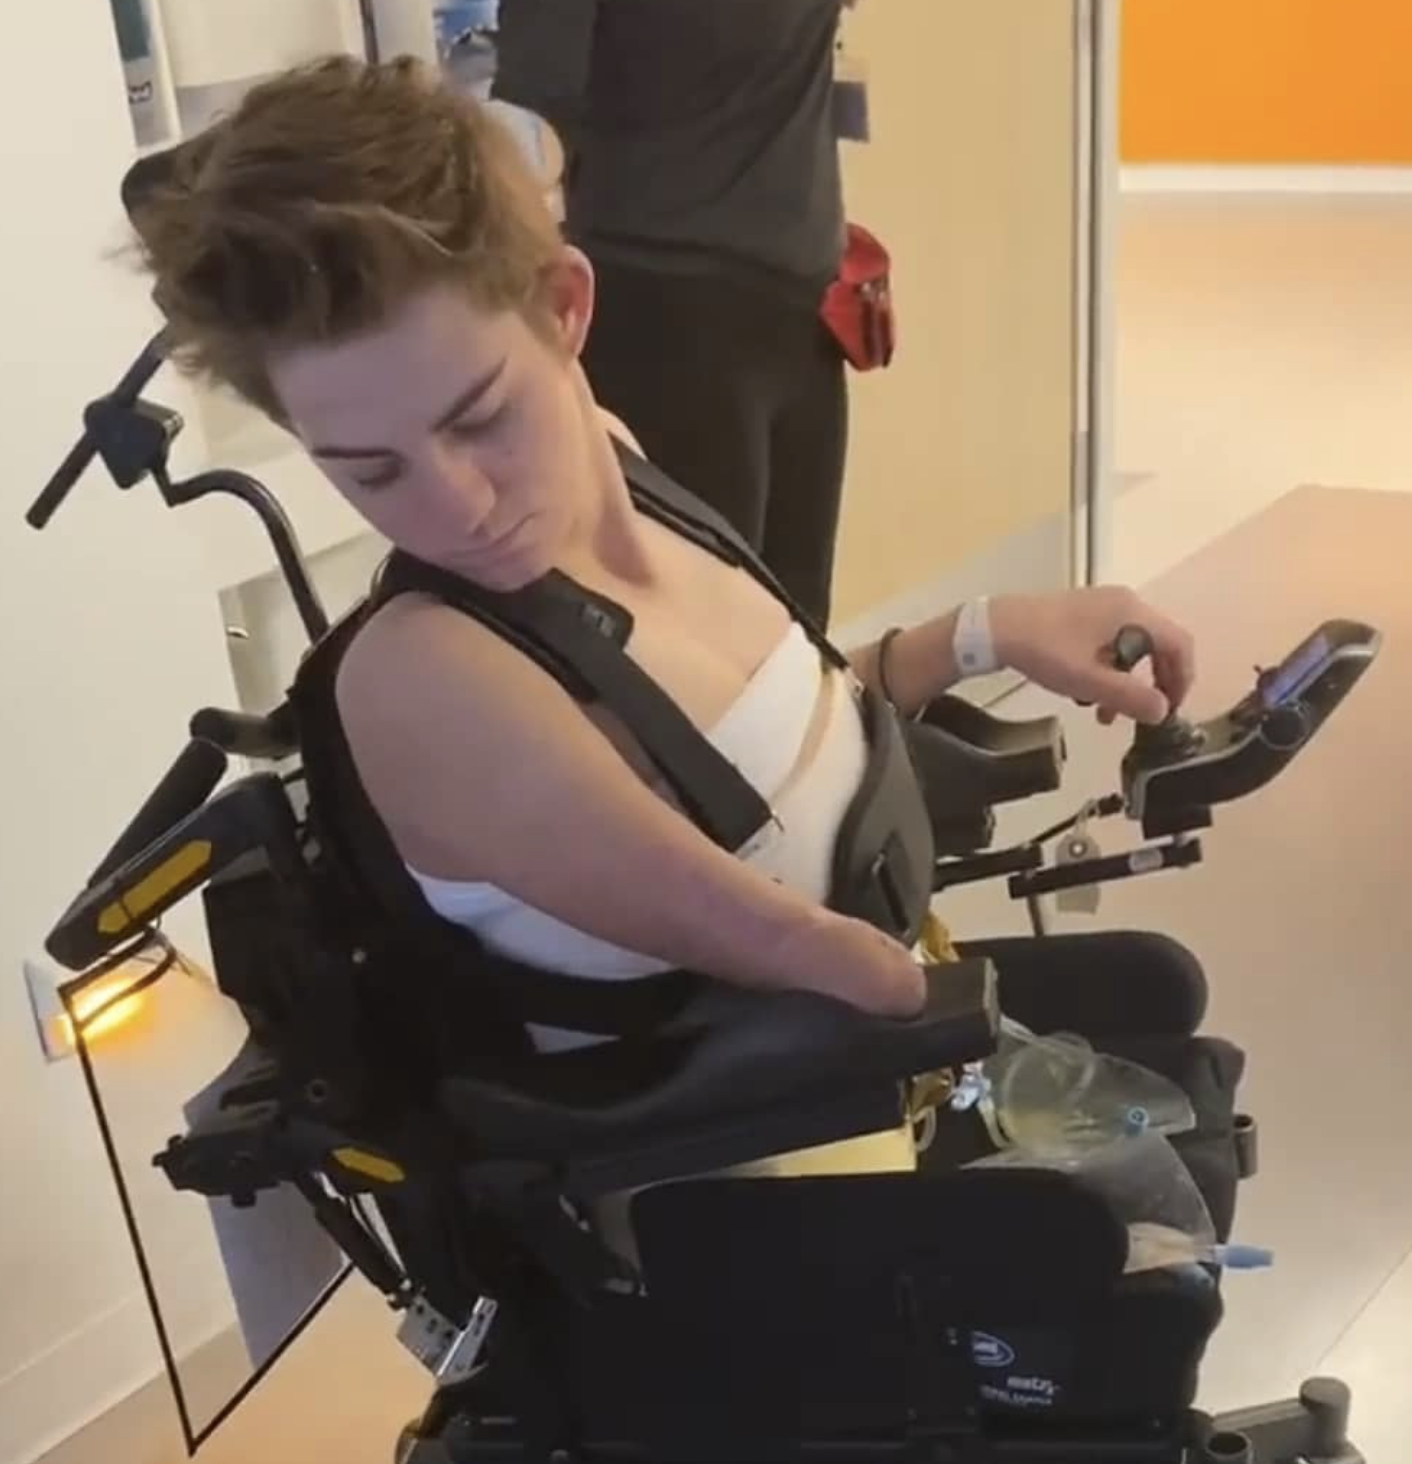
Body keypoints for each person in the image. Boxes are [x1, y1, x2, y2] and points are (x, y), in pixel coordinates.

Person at [127, 57, 1224, 1229]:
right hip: (751, 1224)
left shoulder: (616, 460)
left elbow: (757, 749)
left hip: (863, 1103)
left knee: (1171, 1032)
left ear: (564, 307)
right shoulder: (426, 679)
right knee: (1167, 1142)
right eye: (369, 470)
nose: (456, 507)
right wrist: (1059, 1100)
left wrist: (982, 633)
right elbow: (790, 938)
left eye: (480, 418)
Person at [490, 0, 860, 626]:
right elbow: (525, 130)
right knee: (703, 626)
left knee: (798, 629)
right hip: (666, 318)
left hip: (801, 311)